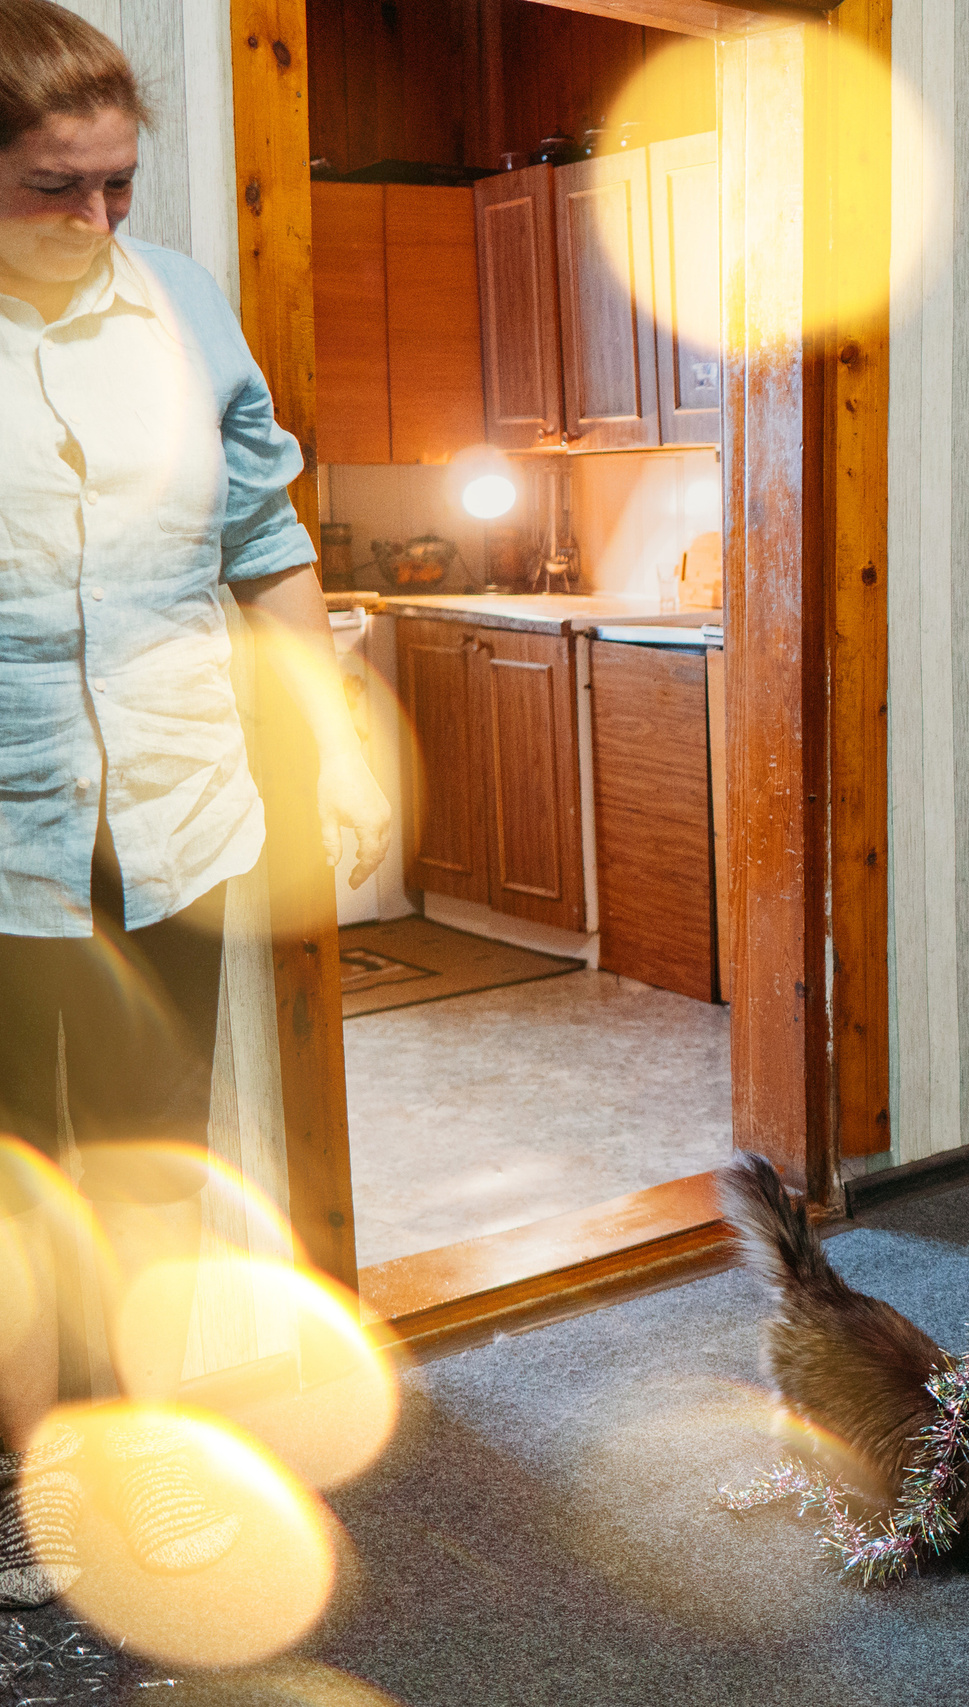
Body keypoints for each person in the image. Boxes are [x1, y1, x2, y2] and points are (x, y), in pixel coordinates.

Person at [0, 0, 391, 1607]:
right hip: (7, 843)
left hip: (172, 821)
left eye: (118, 183)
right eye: (53, 187)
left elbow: (261, 536)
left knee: (154, 1163)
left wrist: (341, 742)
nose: (98, 220)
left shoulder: (181, 304)